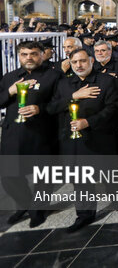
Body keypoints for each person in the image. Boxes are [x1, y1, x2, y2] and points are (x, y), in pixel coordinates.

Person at [46, 48, 118, 232]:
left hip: (100, 137)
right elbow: (51, 107)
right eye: (74, 62)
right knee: (80, 179)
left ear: (91, 61)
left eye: (82, 61)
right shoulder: (63, 84)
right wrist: (73, 96)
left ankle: (114, 191)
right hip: (74, 141)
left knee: (106, 173)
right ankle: (85, 215)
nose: (78, 65)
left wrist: (88, 122)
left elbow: (112, 108)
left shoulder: (107, 81)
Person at [0, 41, 63, 227]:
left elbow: (59, 103)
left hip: (41, 133)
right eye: (25, 54)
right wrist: (10, 91)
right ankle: (26, 204)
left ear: (42, 55)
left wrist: (39, 108)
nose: (29, 58)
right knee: (9, 176)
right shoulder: (9, 77)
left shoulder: (54, 76)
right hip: (13, 134)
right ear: (19, 56)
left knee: (43, 176)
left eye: (34, 54)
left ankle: (39, 209)